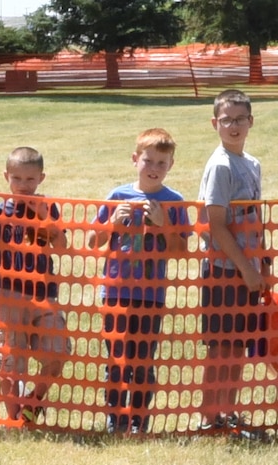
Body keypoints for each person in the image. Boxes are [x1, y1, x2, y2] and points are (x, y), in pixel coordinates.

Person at [0, 146, 67, 426]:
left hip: (44, 293)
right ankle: (16, 419)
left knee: (58, 352)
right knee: (8, 362)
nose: (23, 186)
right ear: (6, 176)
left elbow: (62, 247)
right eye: (17, 179)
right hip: (7, 293)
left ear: (41, 178)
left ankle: (34, 401)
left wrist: (45, 218)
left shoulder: (47, 207)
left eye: (30, 180)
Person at [93, 129, 190, 435]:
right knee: (116, 357)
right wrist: (112, 224)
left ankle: (139, 419)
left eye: (162, 163)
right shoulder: (117, 196)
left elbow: (180, 251)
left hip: (151, 294)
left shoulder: (174, 202)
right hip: (116, 290)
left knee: (144, 359)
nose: (154, 168)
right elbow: (94, 241)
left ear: (171, 165)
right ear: (135, 160)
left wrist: (163, 226)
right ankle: (116, 418)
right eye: (149, 160)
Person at [197, 89, 268, 436]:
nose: (234, 125)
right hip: (223, 271)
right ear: (215, 124)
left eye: (240, 118)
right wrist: (246, 267)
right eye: (227, 120)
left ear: (251, 121)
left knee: (238, 346)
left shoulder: (251, 163)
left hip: (247, 271)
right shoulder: (220, 165)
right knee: (220, 348)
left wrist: (262, 263)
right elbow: (215, 224)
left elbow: (255, 218)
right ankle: (209, 416)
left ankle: (229, 410)